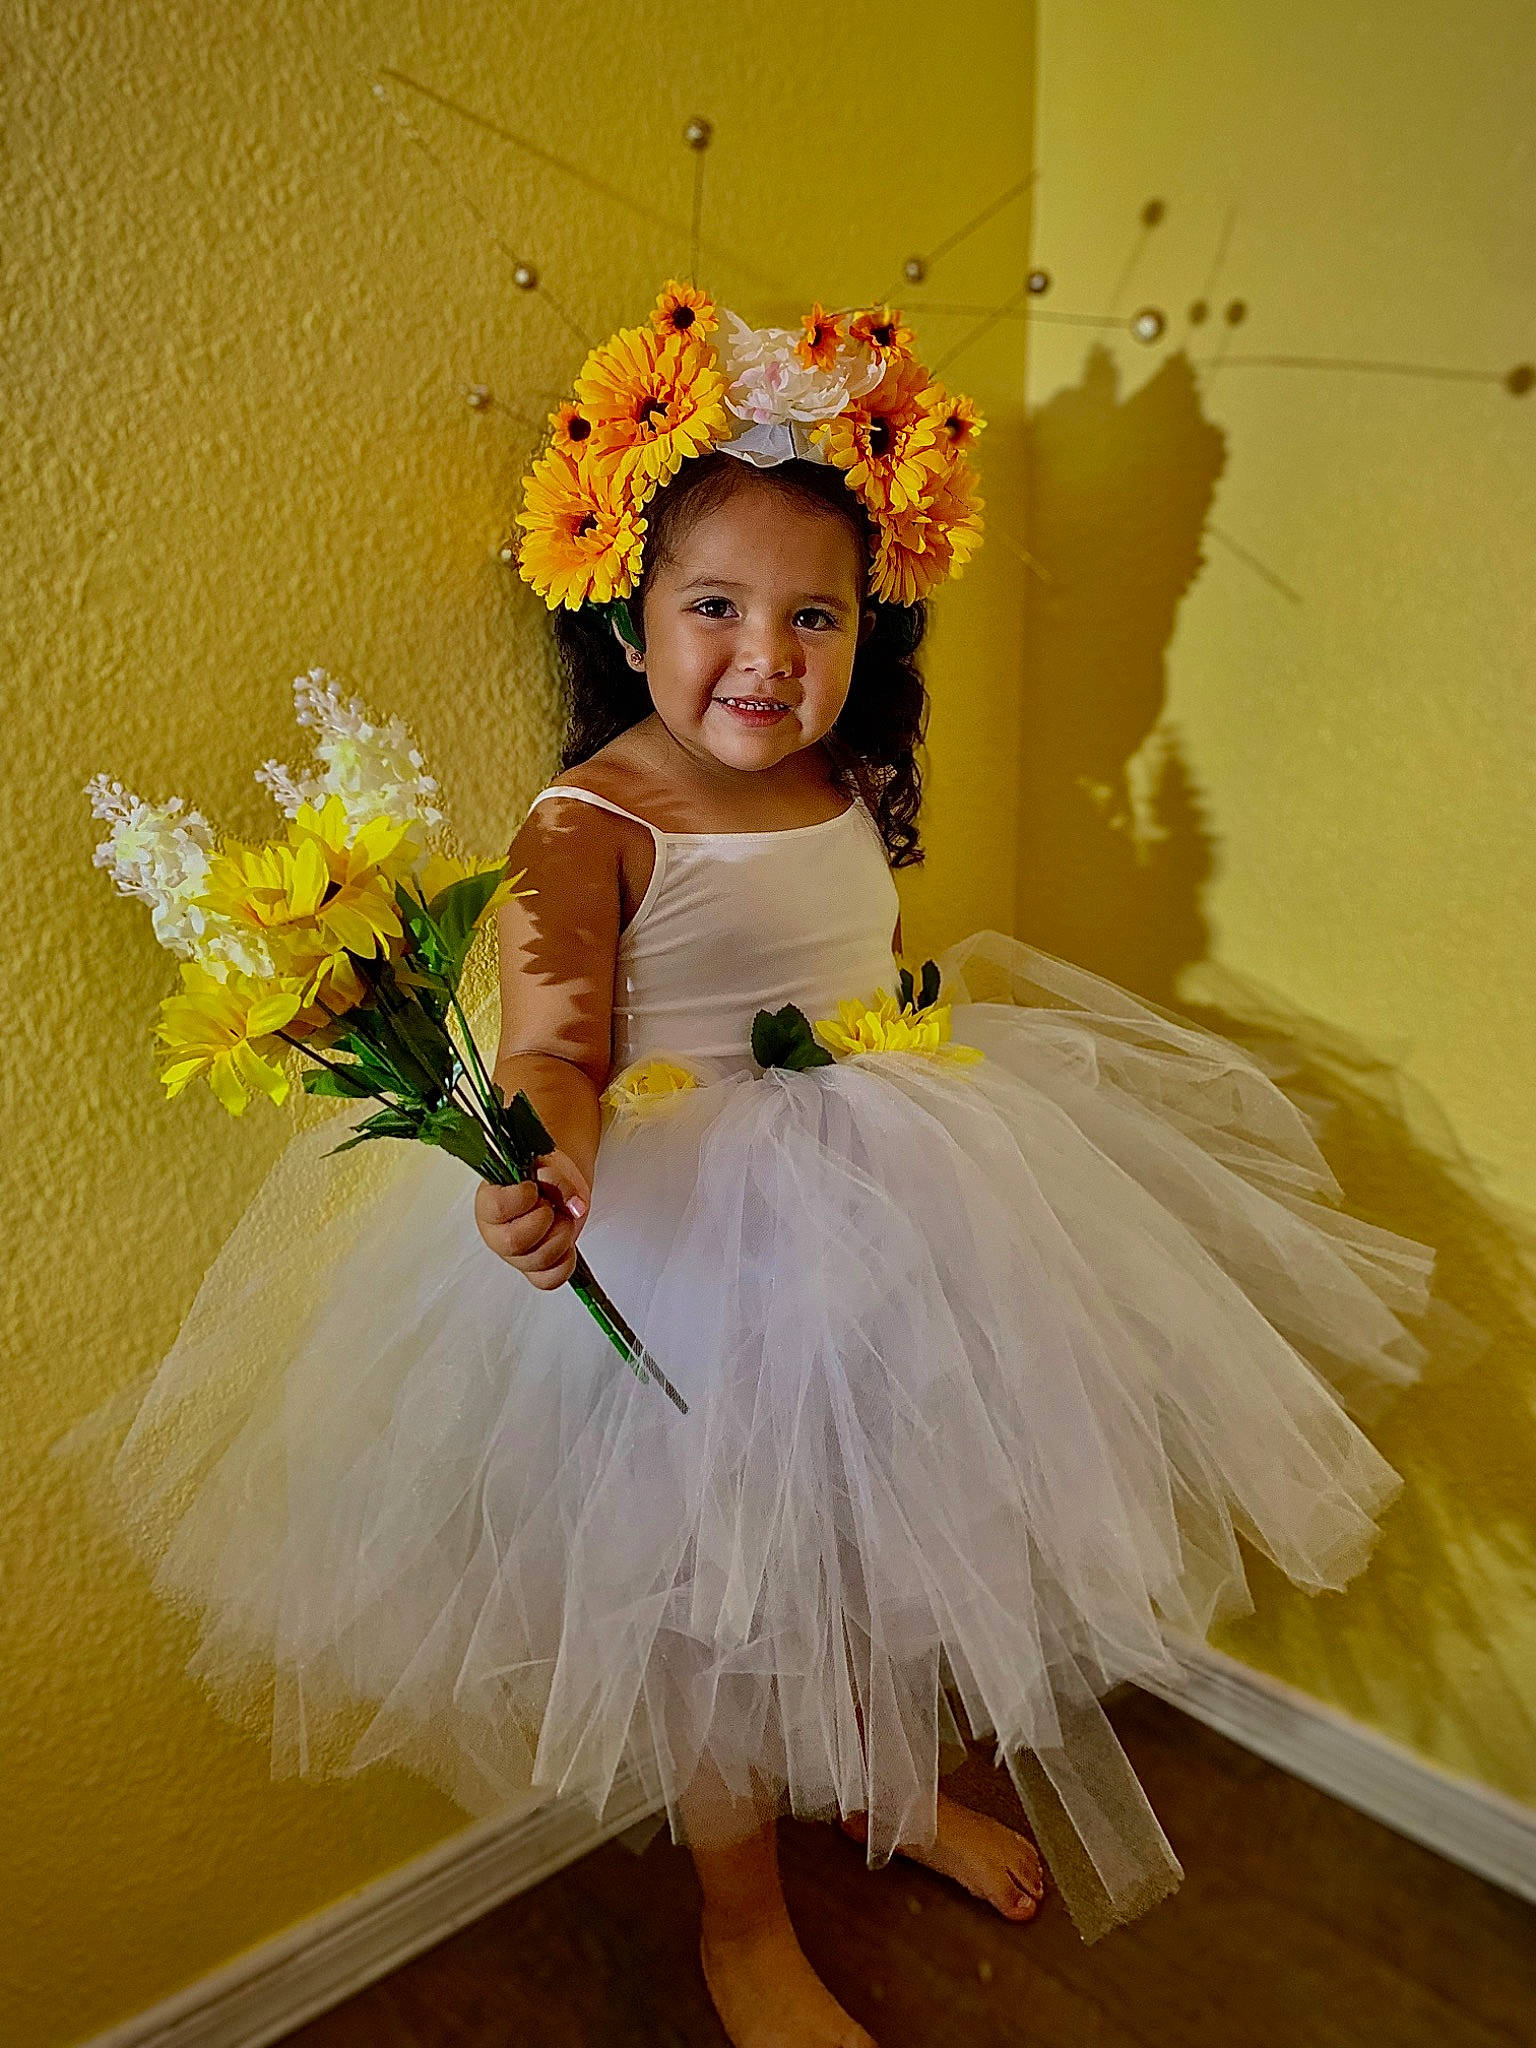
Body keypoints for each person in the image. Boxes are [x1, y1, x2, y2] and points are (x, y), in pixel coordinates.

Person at [62, 286, 1444, 2048]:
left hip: (897, 1204)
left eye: (816, 615)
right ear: (629, 622)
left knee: (879, 1550)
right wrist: (542, 1155)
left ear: (870, 636)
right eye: (715, 607)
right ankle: (741, 1926)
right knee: (711, 1616)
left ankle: (879, 1786)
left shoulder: (841, 777)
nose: (765, 655)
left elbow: (844, 967)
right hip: (691, 1249)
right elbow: (559, 1036)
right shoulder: (591, 819)